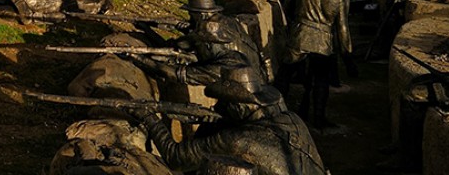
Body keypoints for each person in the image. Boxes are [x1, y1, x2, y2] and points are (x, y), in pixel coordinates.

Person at [130, 66, 326, 175]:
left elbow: (175, 157)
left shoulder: (237, 140)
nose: (216, 108)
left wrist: (147, 116)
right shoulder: (293, 120)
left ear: (238, 106)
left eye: (222, 103)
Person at [128, 0, 265, 88]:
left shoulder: (208, 35)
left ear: (201, 14)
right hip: (256, 77)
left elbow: (177, 49)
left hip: (240, 86)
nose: (189, 16)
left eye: (191, 13)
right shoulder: (227, 22)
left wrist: (139, 58)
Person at [285, 0, 355, 128]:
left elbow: (288, 6)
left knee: (285, 74)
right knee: (321, 80)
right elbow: (343, 31)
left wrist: (298, 22)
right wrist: (348, 59)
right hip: (323, 41)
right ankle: (318, 118)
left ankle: (278, 112)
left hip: (300, 34)